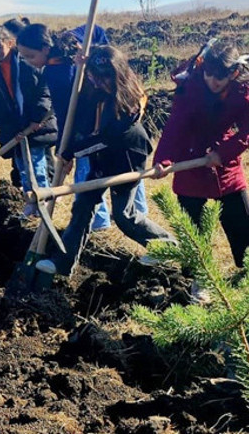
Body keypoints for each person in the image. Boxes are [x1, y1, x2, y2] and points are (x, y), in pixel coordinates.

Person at [34, 46, 174, 277]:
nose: (99, 83)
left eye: (104, 78)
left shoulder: (130, 100)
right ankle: (63, 262)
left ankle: (166, 246)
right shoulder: (92, 89)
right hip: (102, 157)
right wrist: (79, 67)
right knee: (83, 207)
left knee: (124, 215)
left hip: (127, 158)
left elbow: (105, 138)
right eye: (94, 77)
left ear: (118, 74)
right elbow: (76, 116)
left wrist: (71, 154)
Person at [153, 40, 249, 300]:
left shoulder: (241, 91)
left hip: (223, 163)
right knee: (194, 224)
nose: (213, 81)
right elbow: (175, 128)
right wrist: (164, 160)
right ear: (202, 68)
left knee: (240, 216)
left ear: (233, 73)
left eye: (220, 77)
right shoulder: (190, 87)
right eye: (209, 74)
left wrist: (222, 153)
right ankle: (201, 278)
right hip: (190, 160)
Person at [32, 23, 148, 231]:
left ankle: (108, 220)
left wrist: (95, 55)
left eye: (30, 57)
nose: (29, 63)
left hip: (104, 132)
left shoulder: (61, 71)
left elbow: (66, 112)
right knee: (100, 175)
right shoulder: (75, 66)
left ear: (45, 49)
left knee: (115, 175)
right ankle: (100, 221)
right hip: (97, 130)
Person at [0, 24, 58, 214]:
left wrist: (38, 116)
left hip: (36, 124)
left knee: (37, 165)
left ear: (10, 42)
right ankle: (31, 202)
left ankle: (43, 202)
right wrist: (8, 128)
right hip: (13, 128)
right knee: (23, 168)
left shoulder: (26, 61)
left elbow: (44, 90)